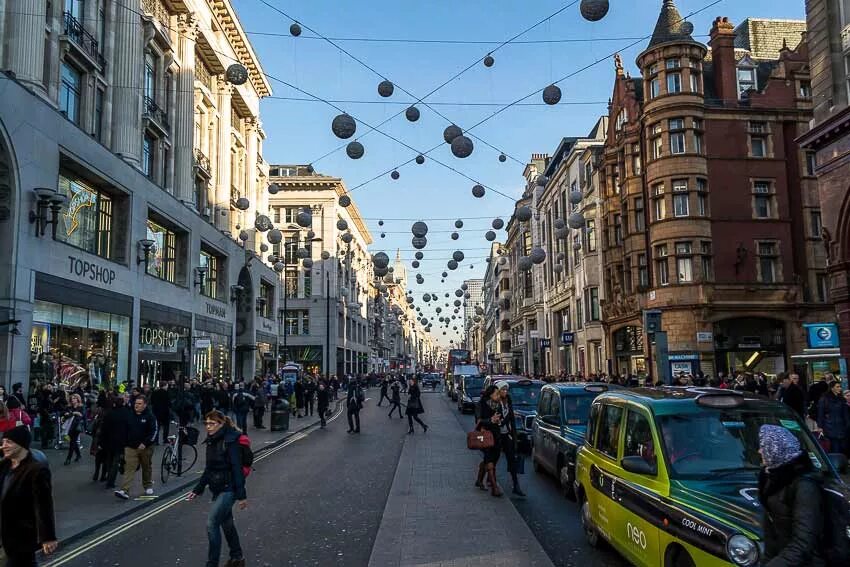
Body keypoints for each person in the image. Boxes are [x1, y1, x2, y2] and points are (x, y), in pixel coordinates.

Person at [758, 424, 825, 566]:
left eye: (763, 447)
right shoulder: (771, 478)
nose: (759, 451)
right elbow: (772, 540)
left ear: (776, 449)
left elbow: (803, 543)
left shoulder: (805, 486)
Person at [188, 411, 247, 567]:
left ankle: (212, 563)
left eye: (212, 423)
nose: (208, 427)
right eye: (206, 423)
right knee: (227, 524)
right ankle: (237, 557)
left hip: (229, 488)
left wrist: (241, 495)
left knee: (211, 523)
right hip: (217, 487)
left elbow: (236, 467)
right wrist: (197, 489)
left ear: (221, 424)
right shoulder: (211, 440)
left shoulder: (230, 441)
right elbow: (209, 468)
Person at [0, 426, 58, 566]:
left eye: (8, 442)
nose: (3, 446)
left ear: (21, 444)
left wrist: (48, 537)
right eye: (3, 442)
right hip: (4, 532)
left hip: (21, 535)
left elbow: (43, 504)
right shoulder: (4, 466)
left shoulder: (36, 470)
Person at [115, 396, 157, 500]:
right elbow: (124, 430)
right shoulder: (129, 415)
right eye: (135, 403)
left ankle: (147, 485)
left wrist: (145, 443)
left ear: (145, 405)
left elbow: (154, 431)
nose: (136, 405)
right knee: (129, 468)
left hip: (145, 448)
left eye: (139, 404)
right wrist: (124, 443)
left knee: (146, 466)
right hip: (130, 447)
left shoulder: (150, 416)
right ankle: (125, 490)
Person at [495, 381, 525, 496]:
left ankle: (516, 485)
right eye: (502, 390)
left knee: (511, 459)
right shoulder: (495, 402)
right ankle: (488, 478)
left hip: (507, 434)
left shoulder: (509, 401)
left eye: (506, 390)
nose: (505, 392)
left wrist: (514, 435)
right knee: (494, 458)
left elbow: (511, 418)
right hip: (497, 434)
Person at [476, 385, 504, 497]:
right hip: (484, 436)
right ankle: (494, 487)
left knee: (492, 459)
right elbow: (479, 420)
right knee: (489, 461)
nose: (498, 396)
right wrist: (490, 420)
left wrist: (499, 420)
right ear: (490, 394)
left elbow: (501, 418)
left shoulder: (498, 405)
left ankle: (479, 480)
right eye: (496, 394)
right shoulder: (481, 404)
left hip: (496, 436)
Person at [817, 380, 850, 454]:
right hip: (830, 427)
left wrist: (847, 425)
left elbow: (845, 415)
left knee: (842, 447)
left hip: (841, 427)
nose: (840, 388)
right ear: (832, 388)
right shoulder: (824, 399)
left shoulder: (841, 399)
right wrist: (820, 427)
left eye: (840, 387)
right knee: (835, 447)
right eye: (837, 387)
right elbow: (820, 413)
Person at [62, 393, 86, 465]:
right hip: (69, 426)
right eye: (72, 398)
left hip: (76, 427)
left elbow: (82, 415)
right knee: (73, 441)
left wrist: (74, 413)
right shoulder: (69, 407)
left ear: (78, 399)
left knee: (72, 442)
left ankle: (68, 458)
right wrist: (72, 413)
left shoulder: (81, 407)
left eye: (74, 398)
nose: (73, 400)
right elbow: (64, 414)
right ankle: (78, 455)